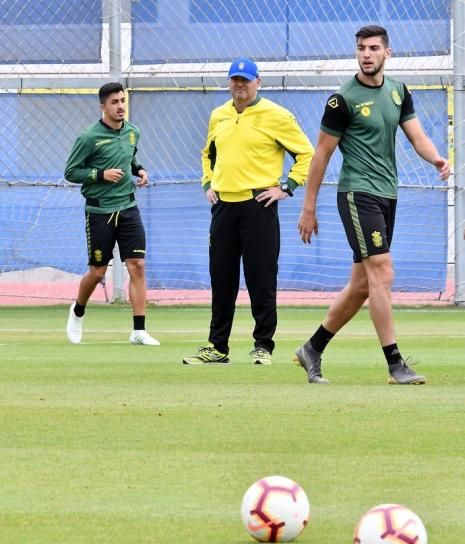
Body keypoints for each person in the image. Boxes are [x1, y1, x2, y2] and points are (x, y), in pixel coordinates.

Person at [294, 25, 449, 384]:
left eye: (373, 48)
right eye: (361, 48)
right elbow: (321, 154)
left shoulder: (398, 92)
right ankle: (395, 364)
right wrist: (309, 207)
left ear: (387, 54)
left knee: (362, 286)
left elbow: (417, 136)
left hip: (386, 194)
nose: (366, 54)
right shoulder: (341, 99)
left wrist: (437, 159)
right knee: (383, 271)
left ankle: (312, 349)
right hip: (356, 193)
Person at [182, 58, 313, 365]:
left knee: (261, 277)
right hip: (224, 206)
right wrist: (207, 183)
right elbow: (208, 154)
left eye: (245, 80)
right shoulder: (219, 116)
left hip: (259, 206)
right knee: (222, 278)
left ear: (258, 82)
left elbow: (306, 153)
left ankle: (263, 346)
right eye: (235, 80)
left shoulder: (277, 116)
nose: (239, 86)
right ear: (229, 83)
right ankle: (217, 347)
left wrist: (287, 186)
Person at [64, 82, 159, 346]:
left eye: (122, 101)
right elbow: (71, 172)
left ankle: (138, 330)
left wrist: (139, 170)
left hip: (128, 208)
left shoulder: (132, 132)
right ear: (103, 106)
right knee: (97, 272)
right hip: (99, 212)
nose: (120, 107)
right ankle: (78, 311)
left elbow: (129, 157)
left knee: (137, 266)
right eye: (115, 102)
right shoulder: (88, 137)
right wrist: (100, 175)